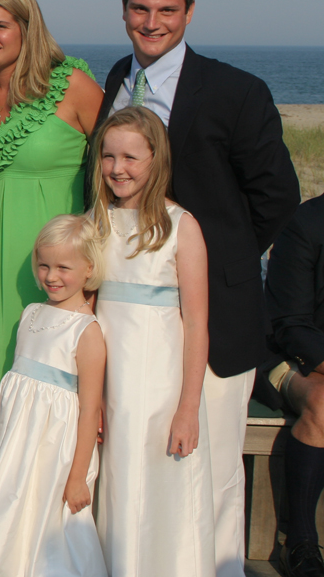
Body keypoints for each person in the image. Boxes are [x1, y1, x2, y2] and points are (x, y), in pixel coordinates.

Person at [95, 0, 299, 576]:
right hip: (132, 323)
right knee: (138, 466)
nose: (151, 22)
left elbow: (276, 199)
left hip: (216, 314)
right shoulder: (116, 79)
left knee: (208, 470)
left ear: (189, 12)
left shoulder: (237, 91)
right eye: (140, 8)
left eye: (166, 10)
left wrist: (207, 260)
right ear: (123, 10)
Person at [0, 214, 107, 577]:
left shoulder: (87, 331)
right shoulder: (30, 314)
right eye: (44, 265)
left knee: (39, 517)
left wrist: (78, 475)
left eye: (63, 267)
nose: (51, 276)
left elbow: (89, 409)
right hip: (9, 439)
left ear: (89, 269)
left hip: (50, 450)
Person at [89, 106, 213, 576]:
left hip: (161, 386)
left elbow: (196, 323)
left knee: (160, 487)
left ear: (155, 159)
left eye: (130, 158)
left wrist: (188, 408)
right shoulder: (95, 223)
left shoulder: (182, 226)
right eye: (108, 156)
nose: (117, 168)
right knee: (115, 485)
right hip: (109, 381)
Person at [0, 0, 102, 388]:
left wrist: (95, 268)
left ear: (28, 30)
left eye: (1, 25)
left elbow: (116, 168)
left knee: (57, 377)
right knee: (6, 372)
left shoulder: (71, 84)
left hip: (61, 257)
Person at [260, 195, 324, 577]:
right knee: (323, 402)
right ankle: (299, 541)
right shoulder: (305, 223)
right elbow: (291, 324)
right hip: (290, 356)